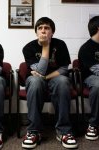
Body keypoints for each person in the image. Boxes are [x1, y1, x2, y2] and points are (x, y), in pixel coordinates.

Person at [21, 17, 78, 149]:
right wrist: (46, 46)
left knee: (63, 81)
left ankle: (64, 131)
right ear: (36, 32)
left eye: (47, 28)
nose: (43, 31)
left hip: (55, 78)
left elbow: (63, 69)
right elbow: (39, 70)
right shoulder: (28, 47)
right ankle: (34, 130)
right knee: (34, 81)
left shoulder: (61, 44)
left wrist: (45, 77)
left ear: (52, 32)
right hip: (36, 80)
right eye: (40, 28)